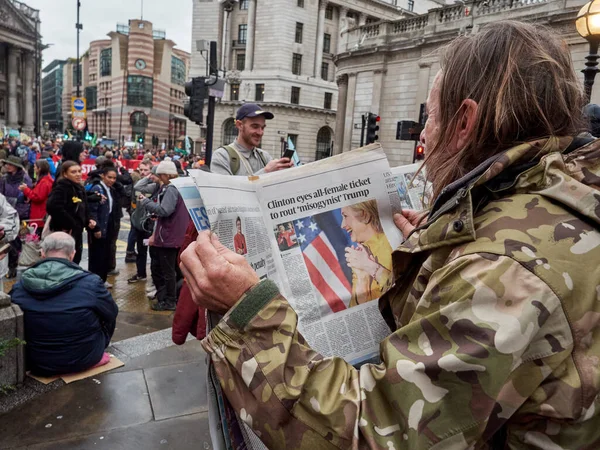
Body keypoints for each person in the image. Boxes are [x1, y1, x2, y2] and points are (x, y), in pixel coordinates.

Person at [181, 21, 600, 449]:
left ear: (464, 122)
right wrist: (444, 253)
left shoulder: (502, 270)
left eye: (430, 116)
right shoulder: (568, 198)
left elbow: (372, 430)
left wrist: (249, 313)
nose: (423, 133)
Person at [10, 232, 118, 377]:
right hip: (85, 358)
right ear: (72, 255)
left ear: (42, 253)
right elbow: (111, 313)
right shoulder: (92, 283)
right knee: (104, 311)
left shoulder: (19, 287)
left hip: (38, 362)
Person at [137, 160, 187, 311]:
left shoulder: (171, 188)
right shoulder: (181, 185)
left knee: (168, 271)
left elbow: (165, 210)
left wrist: (145, 202)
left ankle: (170, 301)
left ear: (166, 175)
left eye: (160, 175)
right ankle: (175, 297)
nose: (158, 178)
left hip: (168, 236)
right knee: (174, 270)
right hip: (175, 234)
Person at [210, 103, 294, 176]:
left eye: (262, 127)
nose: (260, 132)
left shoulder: (265, 157)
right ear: (239, 125)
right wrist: (266, 171)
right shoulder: (222, 156)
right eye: (255, 126)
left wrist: (284, 172)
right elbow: (224, 191)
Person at [341, 201, 393, 306]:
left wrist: (371, 267)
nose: (342, 225)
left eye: (345, 216)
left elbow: (403, 297)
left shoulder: (392, 245)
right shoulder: (360, 256)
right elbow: (356, 314)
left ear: (365, 215)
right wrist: (362, 280)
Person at [46, 162, 96, 265]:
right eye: (73, 172)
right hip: (64, 232)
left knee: (75, 259)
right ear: (65, 174)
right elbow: (53, 207)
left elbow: (84, 207)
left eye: (79, 171)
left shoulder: (79, 188)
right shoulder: (61, 188)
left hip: (77, 232)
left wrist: (88, 219)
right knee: (64, 261)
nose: (78, 174)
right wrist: (71, 224)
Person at [0, 155, 32, 278]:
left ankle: (14, 264)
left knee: (17, 241)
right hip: (5, 211)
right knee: (8, 242)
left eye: (10, 164)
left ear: (16, 167)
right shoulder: (4, 179)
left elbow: (27, 197)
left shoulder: (25, 179)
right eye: (6, 164)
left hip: (20, 211)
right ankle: (11, 266)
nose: (7, 166)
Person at [87, 167, 118, 284]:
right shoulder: (98, 188)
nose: (112, 180)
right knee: (97, 255)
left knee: (104, 254)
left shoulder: (109, 189)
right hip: (99, 226)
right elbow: (93, 210)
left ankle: (101, 280)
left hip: (108, 225)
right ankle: (96, 280)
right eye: (109, 177)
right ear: (102, 176)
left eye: (114, 178)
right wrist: (97, 228)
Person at [128, 161, 156, 283]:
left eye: (146, 170)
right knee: (141, 251)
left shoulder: (154, 185)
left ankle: (155, 280)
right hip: (140, 224)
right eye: (141, 170)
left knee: (154, 254)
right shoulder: (140, 184)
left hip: (151, 225)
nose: (143, 173)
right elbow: (134, 198)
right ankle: (141, 274)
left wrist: (149, 177)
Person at [19, 159, 54, 230]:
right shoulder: (45, 180)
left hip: (40, 213)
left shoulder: (44, 182)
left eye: (35, 167)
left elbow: (37, 197)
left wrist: (26, 190)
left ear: (39, 168)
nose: (34, 168)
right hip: (40, 213)